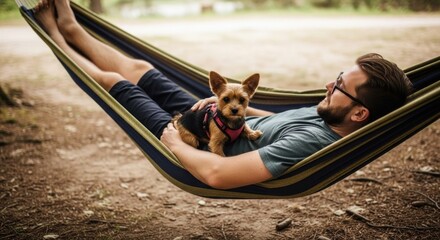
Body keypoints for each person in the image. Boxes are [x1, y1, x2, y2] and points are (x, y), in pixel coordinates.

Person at [34, 0, 413, 190]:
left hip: (194, 146)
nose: (329, 86)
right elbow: (269, 122)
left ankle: (53, 33)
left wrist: (176, 144)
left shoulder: (312, 143)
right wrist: (224, 109)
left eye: (339, 87)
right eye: (335, 78)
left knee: (120, 86)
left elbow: (216, 173)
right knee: (142, 70)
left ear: (360, 114)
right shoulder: (328, 114)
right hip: (215, 118)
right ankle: (73, 27)